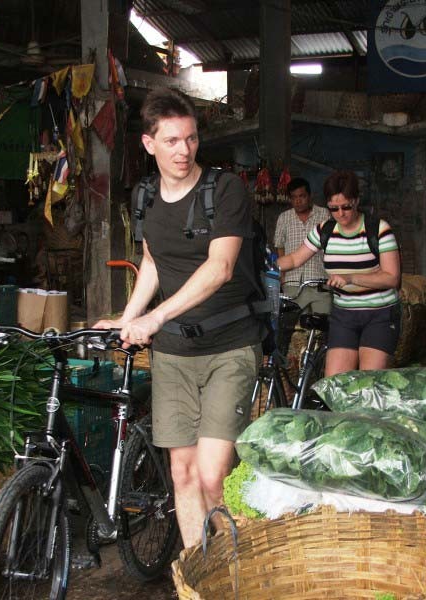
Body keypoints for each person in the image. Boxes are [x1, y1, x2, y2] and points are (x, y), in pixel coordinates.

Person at [94, 88, 263, 548]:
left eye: (190, 139)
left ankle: (232, 570)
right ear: (149, 144)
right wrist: (128, 317)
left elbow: (220, 267)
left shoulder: (225, 190)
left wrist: (155, 317)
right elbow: (152, 263)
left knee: (211, 476)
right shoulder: (145, 195)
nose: (183, 151)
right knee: (182, 474)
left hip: (229, 346)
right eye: (170, 141)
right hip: (173, 353)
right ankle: (198, 576)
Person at [277, 170, 401, 377]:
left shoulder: (378, 229)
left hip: (379, 314)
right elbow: (294, 259)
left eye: (346, 207)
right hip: (344, 316)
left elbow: (391, 277)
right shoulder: (324, 230)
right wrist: (266, 267)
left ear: (356, 201)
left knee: (368, 382)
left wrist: (351, 278)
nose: (340, 214)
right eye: (334, 209)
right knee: (335, 385)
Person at [273, 176, 331, 314]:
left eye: (302, 196)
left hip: (320, 281)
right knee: (296, 331)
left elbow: (331, 246)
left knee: (322, 328)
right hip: (293, 283)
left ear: (310, 196)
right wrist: (282, 277)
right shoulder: (284, 218)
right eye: (294, 197)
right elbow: (279, 246)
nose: (298, 201)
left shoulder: (324, 215)